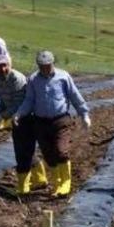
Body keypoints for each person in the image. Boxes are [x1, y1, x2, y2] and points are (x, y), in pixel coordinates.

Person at [14, 51, 90, 197]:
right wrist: (19, 113)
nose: (45, 69)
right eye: (42, 66)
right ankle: (57, 183)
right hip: (41, 122)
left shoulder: (63, 76)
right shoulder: (33, 79)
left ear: (52, 63)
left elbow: (74, 96)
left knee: (61, 151)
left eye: (47, 66)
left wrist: (84, 114)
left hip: (60, 120)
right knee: (48, 155)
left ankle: (65, 184)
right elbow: (29, 100)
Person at [0, 54, 47, 195]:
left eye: (5, 65)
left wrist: (2, 116)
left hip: (27, 116)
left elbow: (18, 103)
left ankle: (23, 188)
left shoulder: (17, 78)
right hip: (16, 117)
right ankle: (40, 179)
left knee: (22, 151)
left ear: (10, 65)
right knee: (25, 150)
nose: (2, 68)